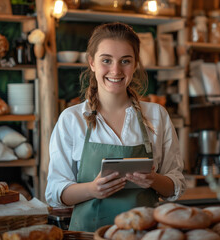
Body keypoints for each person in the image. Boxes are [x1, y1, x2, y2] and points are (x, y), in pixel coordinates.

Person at [45, 22, 185, 232]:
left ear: (136, 64)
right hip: (87, 235)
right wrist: (92, 190)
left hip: (143, 235)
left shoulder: (157, 116)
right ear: (92, 62)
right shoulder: (71, 119)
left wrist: (154, 179)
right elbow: (56, 193)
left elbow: (176, 186)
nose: (116, 70)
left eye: (125, 61)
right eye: (106, 60)